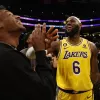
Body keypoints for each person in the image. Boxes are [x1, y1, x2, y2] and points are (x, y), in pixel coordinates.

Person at [0, 5, 58, 100]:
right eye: (10, 15)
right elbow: (46, 93)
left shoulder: (9, 53)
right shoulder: (8, 56)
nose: (18, 16)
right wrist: (41, 52)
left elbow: (25, 55)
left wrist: (43, 49)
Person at [49, 16, 99, 100]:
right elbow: (37, 53)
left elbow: (95, 72)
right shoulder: (57, 45)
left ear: (80, 25)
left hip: (86, 94)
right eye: (67, 22)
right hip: (64, 94)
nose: (68, 23)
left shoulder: (91, 46)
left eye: (72, 21)